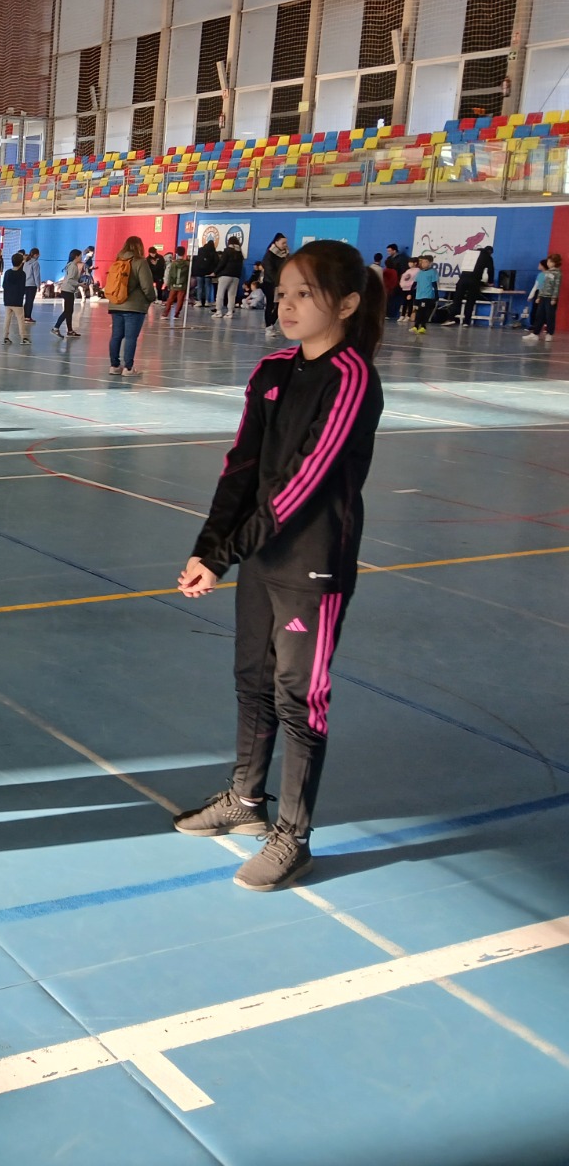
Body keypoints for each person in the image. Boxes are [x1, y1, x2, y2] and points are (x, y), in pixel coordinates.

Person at [173, 239, 385, 892]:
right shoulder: (271, 370)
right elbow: (241, 469)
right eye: (282, 292)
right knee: (252, 679)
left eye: (304, 294)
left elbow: (300, 485)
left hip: (312, 566)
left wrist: (225, 554)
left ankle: (293, 835)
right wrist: (208, 547)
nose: (286, 305)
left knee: (300, 697)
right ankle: (245, 798)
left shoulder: (351, 379)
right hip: (261, 559)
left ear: (346, 304)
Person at [105, 236, 154, 376]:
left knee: (116, 336)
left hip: (116, 304)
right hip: (134, 307)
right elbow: (147, 286)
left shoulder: (118, 261)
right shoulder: (140, 262)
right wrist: (151, 298)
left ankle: (114, 366)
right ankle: (128, 368)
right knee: (131, 337)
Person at [522, 253, 560, 345]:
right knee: (539, 315)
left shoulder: (558, 273)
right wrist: (539, 296)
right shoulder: (546, 273)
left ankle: (549, 333)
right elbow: (542, 286)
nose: (548, 263)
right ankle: (535, 333)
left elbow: (556, 287)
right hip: (543, 296)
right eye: (548, 261)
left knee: (550, 316)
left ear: (555, 263)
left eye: (550, 262)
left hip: (550, 298)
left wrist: (554, 298)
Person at [453, 244, 494, 327]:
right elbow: (490, 270)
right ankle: (466, 321)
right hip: (474, 280)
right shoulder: (487, 256)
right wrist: (490, 282)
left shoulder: (471, 254)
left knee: (457, 299)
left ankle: (451, 318)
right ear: (490, 252)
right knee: (470, 301)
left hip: (462, 279)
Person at [260, 233, 289, 338]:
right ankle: (268, 327)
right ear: (276, 242)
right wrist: (278, 281)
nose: (285, 245)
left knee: (280, 305)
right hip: (270, 283)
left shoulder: (286, 255)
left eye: (286, 243)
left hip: (282, 285)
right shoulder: (269, 254)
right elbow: (269, 270)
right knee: (270, 305)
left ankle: (271, 323)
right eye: (283, 243)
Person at [53, 248, 82, 338]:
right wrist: (80, 284)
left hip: (68, 290)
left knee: (69, 311)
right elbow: (70, 280)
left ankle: (70, 330)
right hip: (68, 290)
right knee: (67, 311)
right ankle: (56, 328)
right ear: (76, 256)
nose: (81, 257)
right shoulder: (73, 266)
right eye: (80, 256)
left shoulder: (71, 265)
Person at [213, 235, 245, 318]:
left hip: (225, 275)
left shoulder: (227, 251)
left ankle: (218, 311)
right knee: (232, 295)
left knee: (220, 294)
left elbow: (222, 263)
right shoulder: (240, 253)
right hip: (236, 276)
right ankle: (230, 312)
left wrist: (215, 272)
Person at [1, 251, 27, 344]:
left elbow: (4, 285)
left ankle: (5, 337)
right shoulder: (22, 274)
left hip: (7, 300)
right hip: (17, 301)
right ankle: (23, 338)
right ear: (21, 263)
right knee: (20, 319)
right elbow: (22, 288)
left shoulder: (7, 272)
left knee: (7, 319)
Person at [410, 254, 438, 333]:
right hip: (418, 295)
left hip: (427, 295)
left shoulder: (432, 272)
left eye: (426, 262)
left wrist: (436, 295)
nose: (423, 264)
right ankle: (416, 326)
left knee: (423, 311)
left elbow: (434, 284)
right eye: (422, 262)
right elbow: (415, 283)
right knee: (418, 311)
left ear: (430, 263)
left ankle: (423, 326)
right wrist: (410, 293)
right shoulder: (420, 272)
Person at [165, 245, 190, 325]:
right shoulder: (187, 264)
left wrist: (169, 284)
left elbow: (170, 275)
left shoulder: (173, 264)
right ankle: (176, 314)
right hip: (182, 285)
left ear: (176, 253)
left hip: (173, 284)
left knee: (170, 299)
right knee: (180, 300)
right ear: (184, 253)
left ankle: (165, 314)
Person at [191, 235, 218, 307]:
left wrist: (194, 271)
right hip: (208, 273)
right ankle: (207, 301)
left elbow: (194, 261)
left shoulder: (200, 250)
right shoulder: (213, 252)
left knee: (199, 286)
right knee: (207, 287)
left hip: (199, 272)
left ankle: (199, 301)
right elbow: (216, 262)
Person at [379, 252, 401, 323]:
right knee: (389, 302)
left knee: (384, 302)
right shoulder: (394, 271)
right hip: (392, 289)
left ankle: (383, 314)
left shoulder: (385, 271)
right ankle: (387, 314)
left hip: (386, 289)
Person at [22, 247, 41, 324]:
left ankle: (24, 315)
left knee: (27, 301)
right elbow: (36, 275)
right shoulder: (35, 263)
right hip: (32, 285)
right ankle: (28, 317)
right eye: (38, 254)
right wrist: (38, 285)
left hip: (25, 284)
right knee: (30, 301)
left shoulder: (26, 262)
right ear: (35, 255)